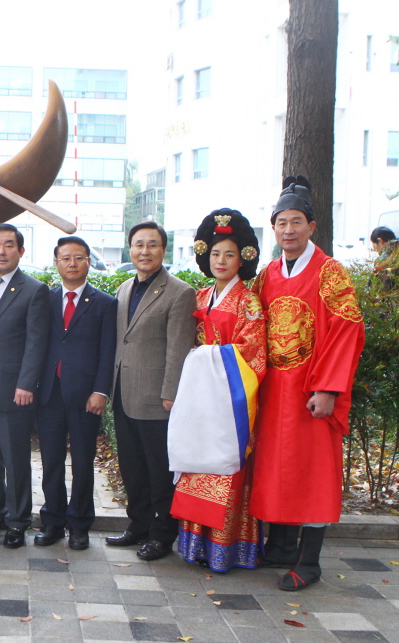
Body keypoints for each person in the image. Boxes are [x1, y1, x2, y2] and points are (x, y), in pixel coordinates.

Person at [250, 176, 365, 591]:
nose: (289, 230)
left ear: (312, 226)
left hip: (311, 389)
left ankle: (310, 561)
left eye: (296, 222)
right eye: (281, 223)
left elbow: (347, 329)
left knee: (313, 470)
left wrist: (328, 388)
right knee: (277, 467)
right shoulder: (267, 275)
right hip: (274, 389)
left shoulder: (330, 272)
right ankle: (279, 547)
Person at [167, 209, 266, 572]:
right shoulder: (200, 296)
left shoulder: (249, 301)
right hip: (199, 401)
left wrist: (206, 355)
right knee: (196, 466)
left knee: (226, 470)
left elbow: (254, 354)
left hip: (229, 402)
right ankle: (195, 547)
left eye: (229, 254)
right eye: (215, 254)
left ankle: (228, 550)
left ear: (244, 257)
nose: (221, 261)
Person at [105, 220, 196, 561]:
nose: (145, 251)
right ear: (131, 249)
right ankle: (138, 525)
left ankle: (162, 534)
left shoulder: (179, 292)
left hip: (158, 398)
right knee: (132, 467)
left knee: (159, 470)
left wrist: (170, 393)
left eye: (152, 245)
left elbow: (178, 348)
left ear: (163, 250)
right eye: (139, 245)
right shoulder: (125, 288)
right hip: (124, 393)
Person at [0, 223, 50, 549]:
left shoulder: (33, 290)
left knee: (15, 460)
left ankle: (18, 521)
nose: (1, 251)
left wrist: (27, 383)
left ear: (20, 251)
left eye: (8, 245)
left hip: (15, 391)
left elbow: (36, 343)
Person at [34, 236, 117, 551]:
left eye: (79, 257)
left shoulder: (105, 303)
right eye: (65, 258)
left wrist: (100, 391)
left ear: (88, 262)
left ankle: (80, 525)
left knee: (83, 462)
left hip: (86, 395)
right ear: (56, 262)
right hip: (49, 392)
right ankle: (53, 521)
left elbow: (108, 351)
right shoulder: (46, 299)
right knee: (51, 461)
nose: (72, 263)